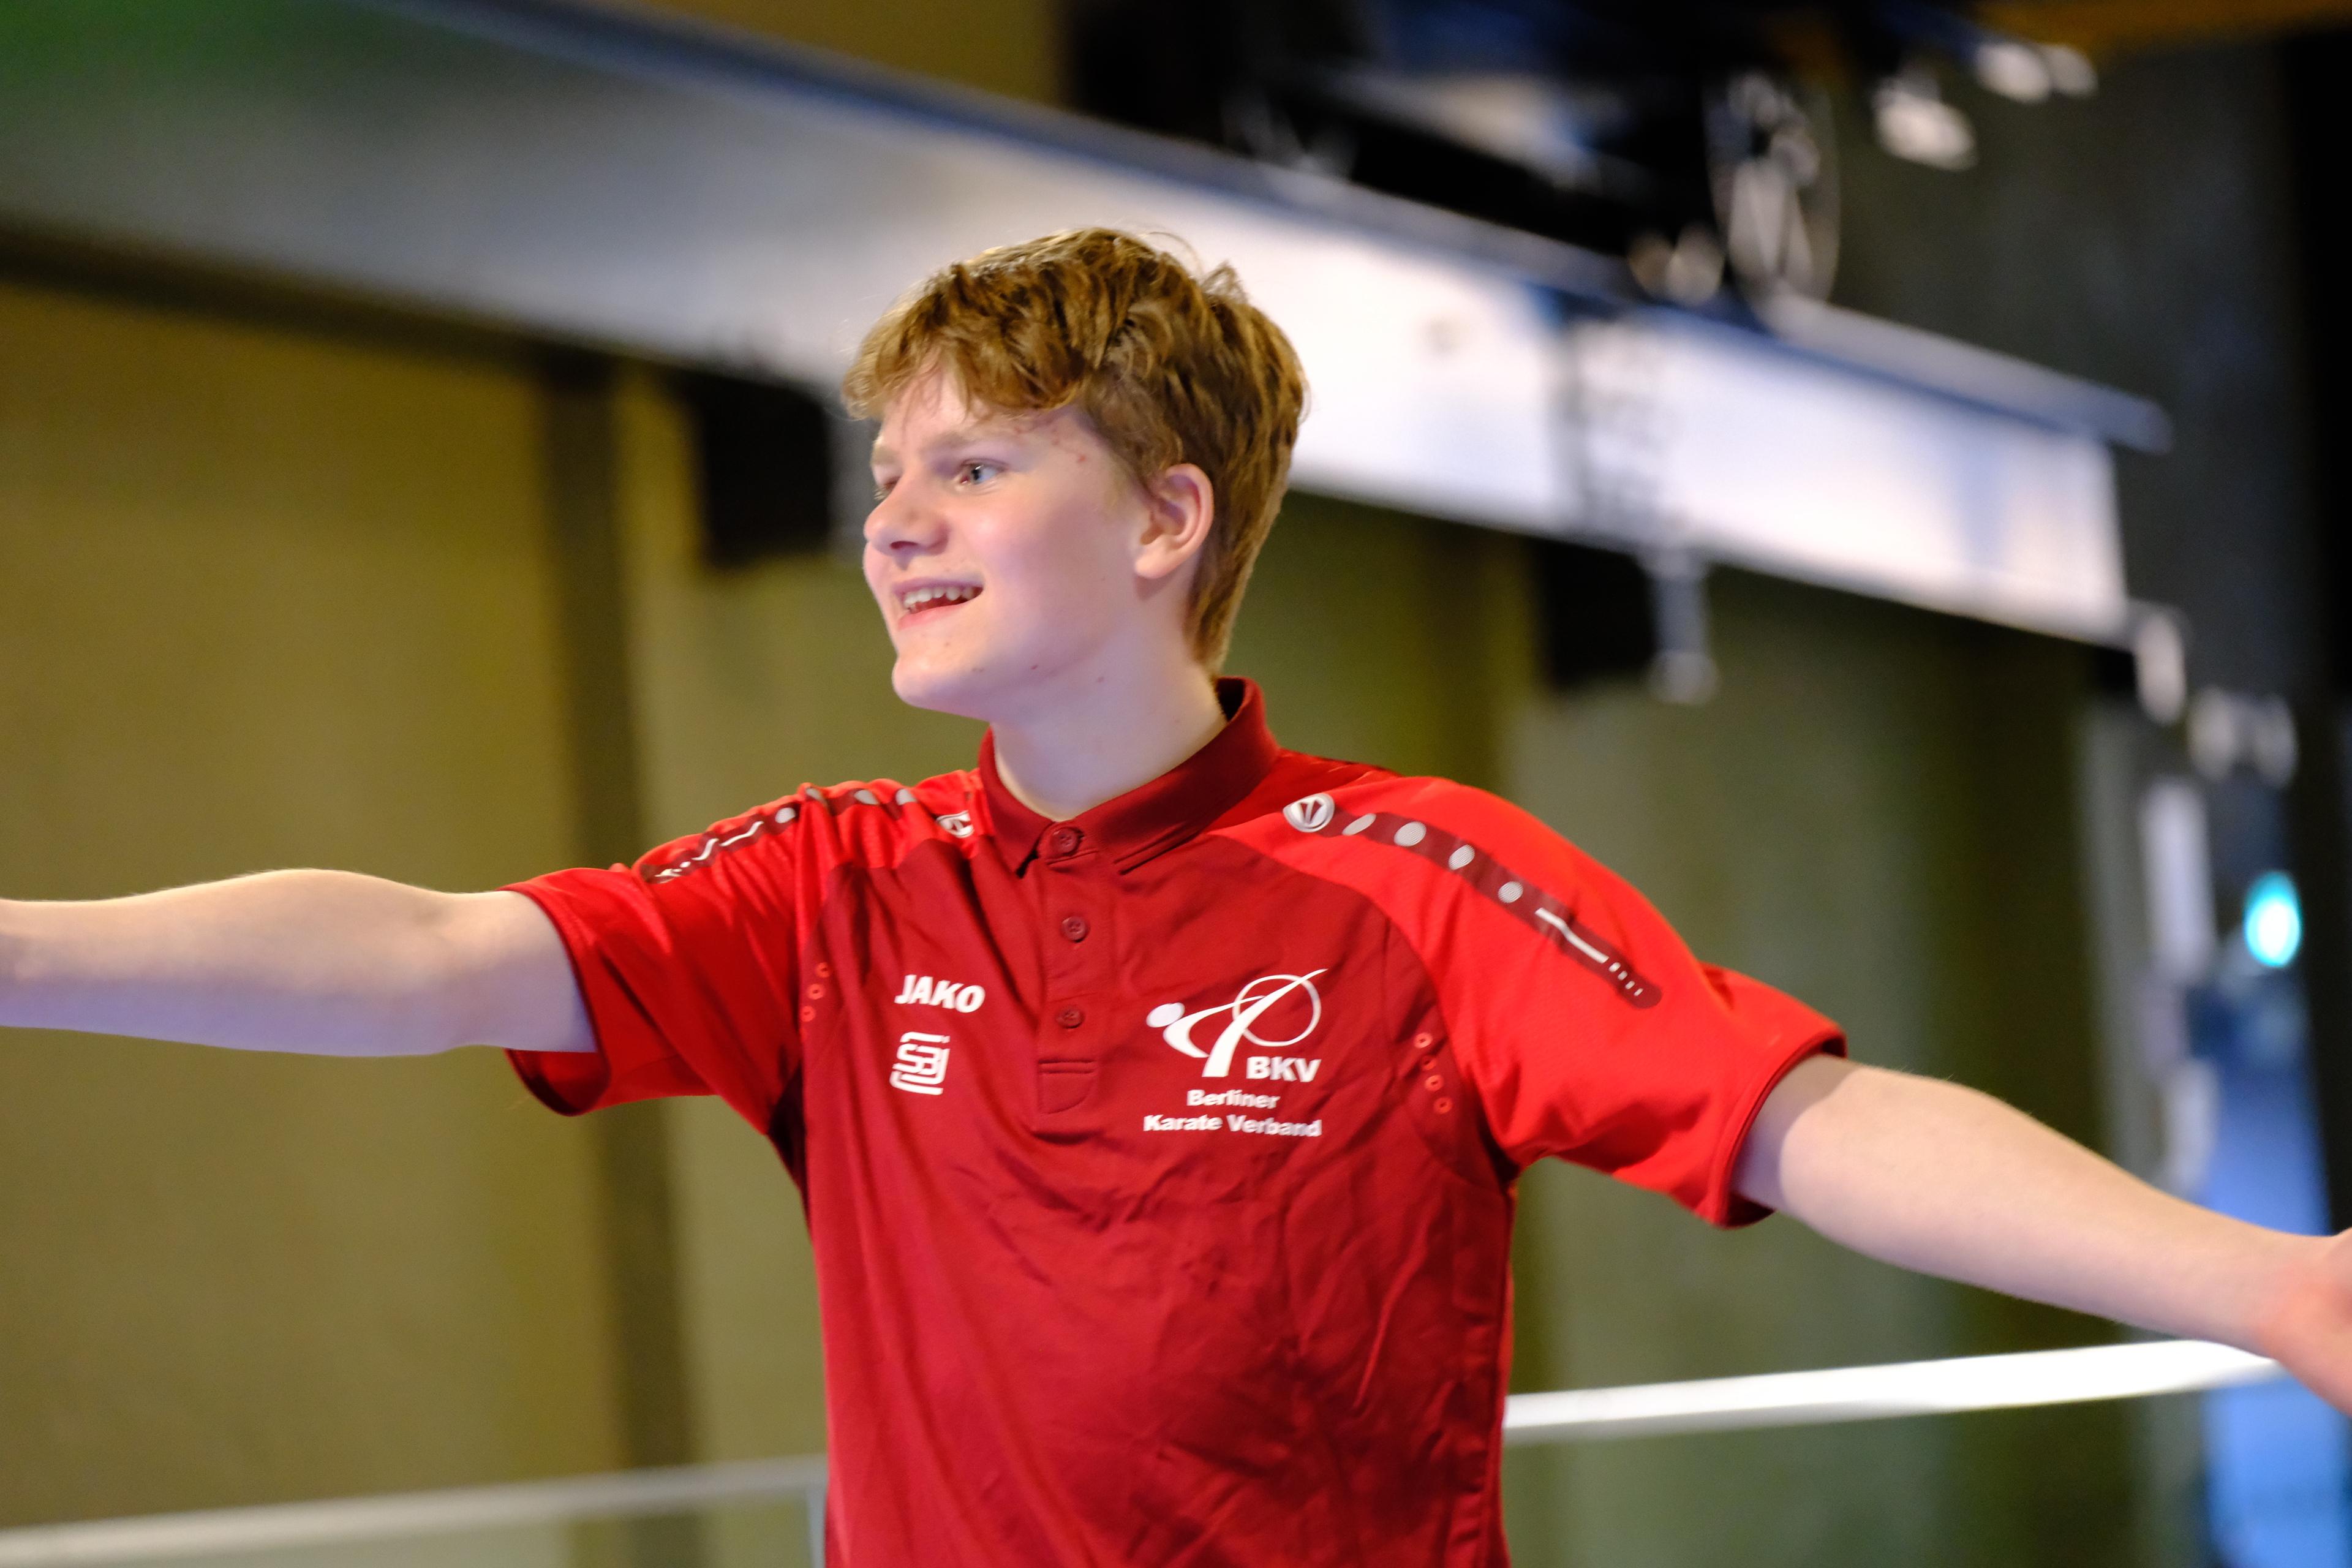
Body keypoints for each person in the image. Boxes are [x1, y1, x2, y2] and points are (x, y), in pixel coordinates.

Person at [2, 227, 2346, 1566]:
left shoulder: (1418, 884)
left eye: (973, 466)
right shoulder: (833, 887)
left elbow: (1811, 1122)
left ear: (1164, 520)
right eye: (887, 473)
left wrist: (2273, 1286)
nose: (892, 522)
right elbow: (420, 954)